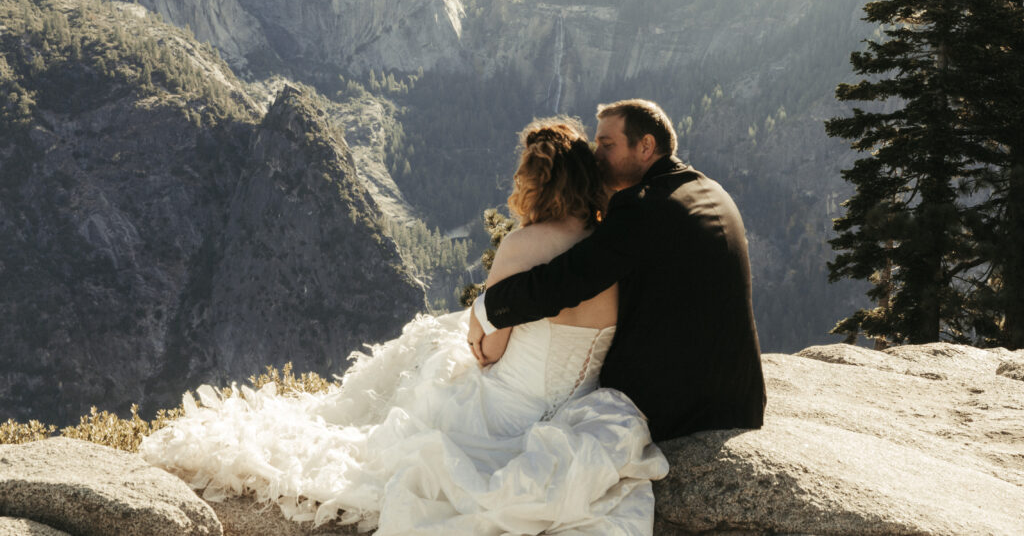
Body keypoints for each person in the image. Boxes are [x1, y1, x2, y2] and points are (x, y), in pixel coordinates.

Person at [140, 117, 668, 535]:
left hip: (510, 412)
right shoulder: (609, 251)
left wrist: (481, 343)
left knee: (429, 397)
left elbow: (493, 349)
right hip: (584, 412)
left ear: (537, 181)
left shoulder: (524, 247)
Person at [469, 99, 766, 442]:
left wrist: (488, 308)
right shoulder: (707, 190)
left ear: (646, 146)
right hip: (738, 395)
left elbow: (565, 282)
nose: (596, 157)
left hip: (686, 407)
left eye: (607, 146)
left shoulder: (644, 207)